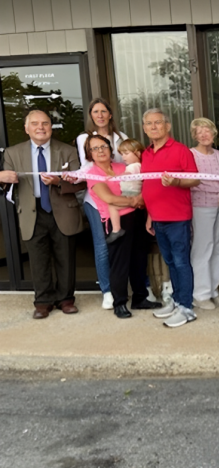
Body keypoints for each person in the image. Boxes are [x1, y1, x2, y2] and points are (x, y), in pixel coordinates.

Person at [0, 110, 83, 319]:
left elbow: (81, 183)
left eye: (45, 123)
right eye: (35, 123)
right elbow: (6, 186)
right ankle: (43, 302)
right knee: (38, 259)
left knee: (65, 257)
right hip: (32, 212)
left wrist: (58, 182)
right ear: (26, 129)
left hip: (62, 210)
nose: (41, 127)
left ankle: (66, 299)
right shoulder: (12, 153)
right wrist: (1, 177)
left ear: (51, 127)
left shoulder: (68, 150)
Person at [83, 134, 160, 318]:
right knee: (119, 263)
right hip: (116, 222)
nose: (100, 151)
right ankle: (119, 303)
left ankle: (140, 298)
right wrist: (134, 201)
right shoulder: (93, 173)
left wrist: (139, 199)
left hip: (136, 217)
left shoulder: (122, 167)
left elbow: (140, 187)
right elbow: (108, 198)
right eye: (95, 148)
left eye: (103, 146)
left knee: (139, 259)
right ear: (89, 154)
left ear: (110, 149)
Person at [140, 108, 201, 328]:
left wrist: (176, 182)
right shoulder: (145, 153)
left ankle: (186, 307)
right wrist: (149, 215)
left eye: (157, 123)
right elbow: (148, 185)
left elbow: (195, 180)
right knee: (170, 262)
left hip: (177, 217)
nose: (153, 127)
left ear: (168, 126)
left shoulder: (181, 150)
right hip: (157, 217)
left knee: (181, 261)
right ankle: (176, 301)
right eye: (148, 123)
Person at [75, 98, 129, 309]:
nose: (99, 115)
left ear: (110, 114)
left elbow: (126, 166)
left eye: (103, 111)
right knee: (102, 247)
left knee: (121, 245)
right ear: (91, 116)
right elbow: (85, 167)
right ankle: (107, 291)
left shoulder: (121, 137)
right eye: (95, 111)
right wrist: (72, 177)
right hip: (96, 200)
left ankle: (121, 288)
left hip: (120, 200)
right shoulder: (83, 138)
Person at [189, 118, 219, 310]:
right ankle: (200, 293)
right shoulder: (191, 154)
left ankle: (213, 290)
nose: (204, 134)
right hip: (200, 205)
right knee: (203, 248)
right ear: (195, 135)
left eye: (208, 130)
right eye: (200, 131)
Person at [105, 141, 144, 243]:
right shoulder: (138, 166)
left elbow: (126, 175)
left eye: (126, 153)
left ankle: (116, 229)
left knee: (112, 206)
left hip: (131, 194)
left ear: (138, 153)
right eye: (122, 154)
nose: (123, 157)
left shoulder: (134, 166)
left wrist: (114, 177)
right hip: (131, 193)